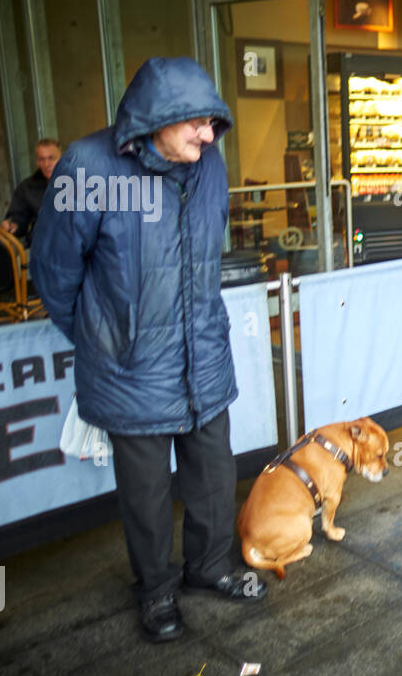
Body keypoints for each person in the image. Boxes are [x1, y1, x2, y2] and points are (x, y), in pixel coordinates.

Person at [33, 56, 266, 643]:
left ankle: (210, 567)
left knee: (214, 473)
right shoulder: (88, 166)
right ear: (155, 119)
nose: (209, 135)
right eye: (196, 123)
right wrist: (105, 336)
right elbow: (54, 273)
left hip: (204, 354)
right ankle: (156, 592)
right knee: (145, 493)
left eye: (214, 124)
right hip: (129, 367)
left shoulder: (208, 163)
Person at [2, 138, 62, 247]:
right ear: (37, 162)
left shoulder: (77, 181)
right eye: (42, 159)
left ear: (61, 159)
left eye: (51, 158)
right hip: (42, 246)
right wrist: (14, 224)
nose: (46, 164)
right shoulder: (27, 187)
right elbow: (19, 216)